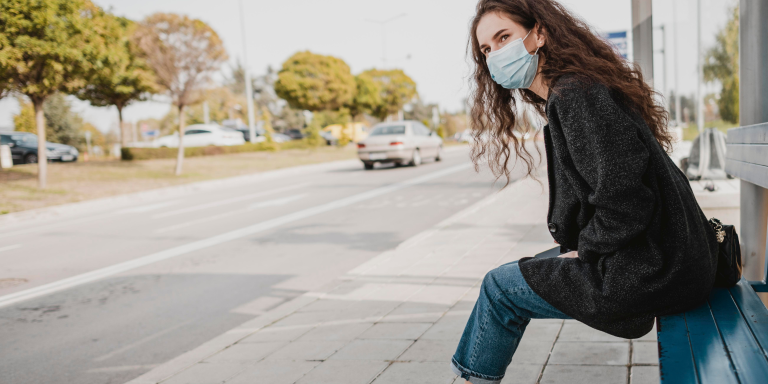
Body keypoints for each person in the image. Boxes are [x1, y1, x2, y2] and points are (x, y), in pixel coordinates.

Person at [451, 1, 719, 383]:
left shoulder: (575, 95)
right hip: (670, 259)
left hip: (657, 269)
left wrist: (589, 249)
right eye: (486, 50)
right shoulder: (575, 90)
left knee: (499, 288)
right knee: (519, 273)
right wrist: (582, 247)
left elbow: (626, 203)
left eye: (504, 37)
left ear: (539, 34)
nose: (495, 55)